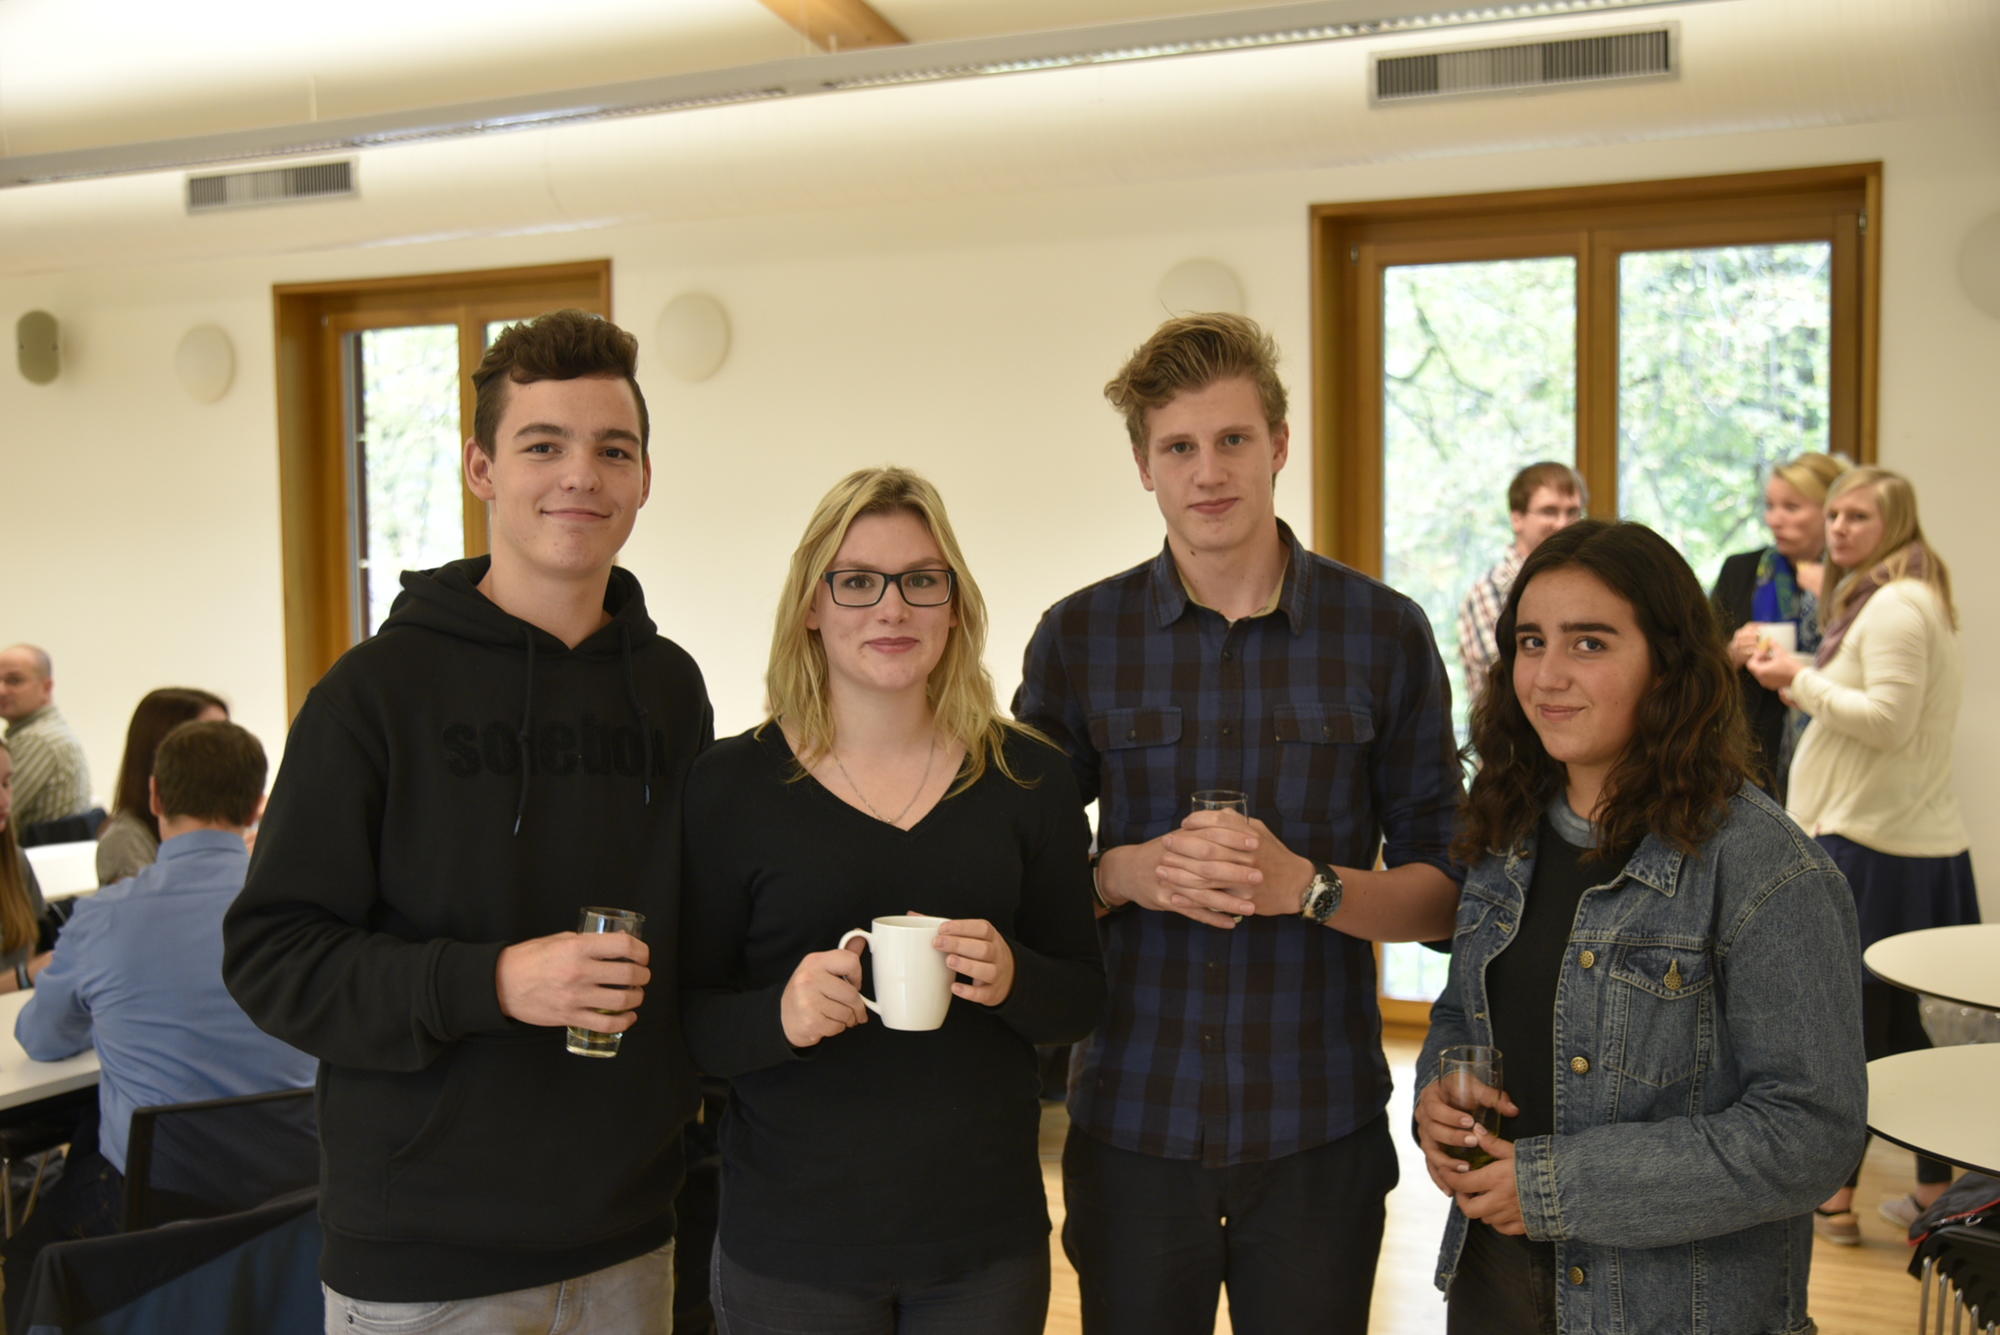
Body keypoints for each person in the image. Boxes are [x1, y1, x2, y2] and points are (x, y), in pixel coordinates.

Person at [223, 309, 712, 1334]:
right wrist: (491, 982)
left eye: (610, 449)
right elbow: (273, 957)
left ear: (643, 479)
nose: (580, 475)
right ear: (481, 469)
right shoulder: (373, 694)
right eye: (544, 445)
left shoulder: (669, 691)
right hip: (423, 1254)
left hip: (632, 1227)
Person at [1013, 313, 1462, 1335]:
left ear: (1278, 446)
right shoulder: (1078, 638)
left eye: (1231, 440)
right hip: (1130, 1124)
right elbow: (1014, 868)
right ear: (1142, 465)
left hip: (1317, 1131)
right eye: (1177, 446)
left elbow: (1448, 892)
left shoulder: (1382, 635)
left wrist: (1307, 888)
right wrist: (1120, 873)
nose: (1207, 472)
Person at [681, 466, 1104, 1335]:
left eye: (921, 580)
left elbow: (1084, 997)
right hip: (791, 1252)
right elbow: (684, 1021)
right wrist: (782, 1016)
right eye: (857, 580)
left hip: (982, 1251)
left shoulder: (1030, 779)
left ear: (954, 605)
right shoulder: (729, 786)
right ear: (812, 603)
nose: (892, 608)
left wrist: (1014, 976)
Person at [1419, 518, 1866, 1334]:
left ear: (1668, 665)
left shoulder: (1768, 870)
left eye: (1589, 643)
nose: (1547, 675)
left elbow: (1811, 1134)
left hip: (1674, 1311)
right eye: (1530, 641)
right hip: (1492, 1288)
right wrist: (1434, 1095)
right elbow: (1463, 1008)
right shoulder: (1508, 827)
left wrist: (1554, 1184)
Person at [4, 720, 315, 1309]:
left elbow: (42, 1040)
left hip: (154, 1199)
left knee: (28, 1255)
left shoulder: (104, 919)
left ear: (154, 797)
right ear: (257, 803)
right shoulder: (304, 910)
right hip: (297, 1193)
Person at [1748, 465, 1977, 1240]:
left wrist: (1796, 681)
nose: (1840, 529)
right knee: (1892, 1022)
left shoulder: (1895, 607)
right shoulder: (1901, 598)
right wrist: (1807, 676)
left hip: (1875, 844)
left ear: (1897, 523)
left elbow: (1887, 720)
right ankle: (1926, 1189)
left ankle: (1836, 1201)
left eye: (1857, 517)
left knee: (1846, 1024)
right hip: (1893, 838)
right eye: (1835, 515)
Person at [1711, 451, 1849, 798]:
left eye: (1791, 507)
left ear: (1829, 512)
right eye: (1770, 506)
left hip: (1838, 755)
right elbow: (1696, 666)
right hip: (1752, 759)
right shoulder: (1741, 570)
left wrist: (1830, 597)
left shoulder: (1856, 583)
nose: (1774, 519)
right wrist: (1732, 652)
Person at [1455, 463, 1587, 696]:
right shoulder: (1492, 590)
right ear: (1517, 519)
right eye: (1549, 511)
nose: (1563, 523)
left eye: (1572, 512)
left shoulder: (1589, 587)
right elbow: (1509, 683)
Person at [95, 687, 231, 886]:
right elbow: (154, 913)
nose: (230, 752)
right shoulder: (125, 841)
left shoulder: (228, 822)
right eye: (213, 742)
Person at [0, 644, 93, 836]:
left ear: (46, 687)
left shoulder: (38, 740)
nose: (1, 690)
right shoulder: (47, 731)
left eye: (14, 681)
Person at [0, 740, 53, 994]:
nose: (3, 800)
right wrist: (23, 977)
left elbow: (30, 949)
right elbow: (27, 971)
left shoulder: (15, 862)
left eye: (6, 783)